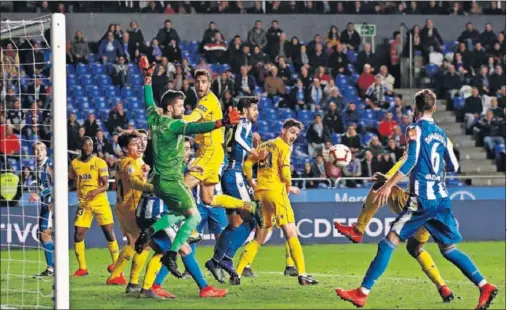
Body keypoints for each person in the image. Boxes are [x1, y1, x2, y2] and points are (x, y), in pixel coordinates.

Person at [336, 89, 497, 309]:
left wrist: (389, 185)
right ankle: (484, 285)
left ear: (415, 108)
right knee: (449, 249)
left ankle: (362, 293)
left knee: (390, 240)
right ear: (435, 108)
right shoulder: (442, 134)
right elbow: (454, 166)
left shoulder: (414, 129)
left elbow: (411, 159)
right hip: (440, 199)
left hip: (422, 200)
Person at [134, 57, 255, 278]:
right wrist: (222, 122)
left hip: (201, 159)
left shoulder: (161, 116)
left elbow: (153, 103)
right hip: (197, 162)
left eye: (203, 82)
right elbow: (193, 124)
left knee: (206, 200)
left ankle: (158, 230)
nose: (199, 86)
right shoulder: (176, 123)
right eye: (197, 82)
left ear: (209, 84)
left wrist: (147, 80)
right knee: (193, 211)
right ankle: (172, 246)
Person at [233, 119, 318, 286]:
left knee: (260, 237)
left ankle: (237, 272)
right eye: (292, 132)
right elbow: (285, 171)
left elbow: (248, 163)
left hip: (260, 194)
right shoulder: (283, 146)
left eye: (296, 134)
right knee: (291, 232)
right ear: (283, 130)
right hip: (276, 193)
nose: (294, 136)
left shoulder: (264, 145)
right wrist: (289, 185)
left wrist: (251, 181)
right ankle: (302, 274)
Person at [106, 130, 154, 293]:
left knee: (132, 243)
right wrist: (151, 187)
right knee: (144, 245)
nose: (138, 146)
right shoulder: (132, 163)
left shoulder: (122, 162)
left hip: (122, 207)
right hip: (133, 208)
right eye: (134, 144)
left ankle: (115, 275)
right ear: (126, 149)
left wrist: (145, 174)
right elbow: (133, 182)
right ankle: (133, 283)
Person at [69, 136, 119, 277]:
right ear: (81, 147)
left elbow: (106, 184)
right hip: (84, 203)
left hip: (100, 201)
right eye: (86, 145)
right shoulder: (74, 163)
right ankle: (82, 268)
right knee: (78, 233)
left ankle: (117, 265)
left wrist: (94, 192)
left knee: (108, 232)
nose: (89, 147)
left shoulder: (100, 162)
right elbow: (72, 178)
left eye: (91, 145)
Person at [30, 142, 54, 278]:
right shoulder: (38, 166)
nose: (38, 152)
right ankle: (52, 266)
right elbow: (44, 185)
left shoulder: (49, 165)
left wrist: (39, 194)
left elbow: (56, 184)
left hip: (51, 204)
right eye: (36, 150)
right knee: (42, 235)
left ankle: (52, 268)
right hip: (45, 204)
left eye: (41, 150)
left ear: (46, 152)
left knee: (45, 234)